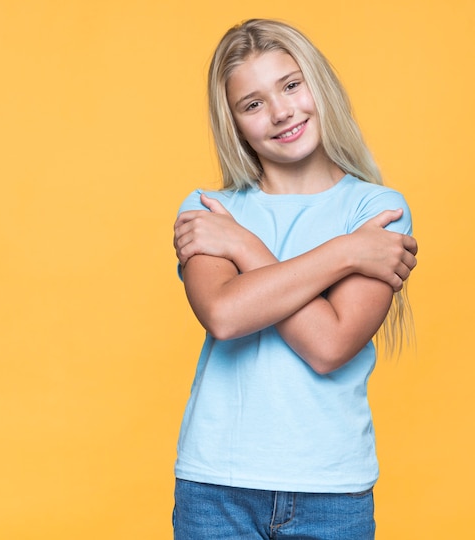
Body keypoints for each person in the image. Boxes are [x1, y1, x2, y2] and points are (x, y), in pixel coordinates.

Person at [171, 19, 418, 540]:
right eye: (253, 103)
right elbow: (225, 314)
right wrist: (346, 252)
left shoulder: (378, 211)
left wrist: (242, 249)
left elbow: (329, 345)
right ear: (234, 123)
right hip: (216, 487)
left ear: (318, 84)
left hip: (330, 491)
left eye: (291, 84)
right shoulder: (210, 211)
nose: (282, 112)